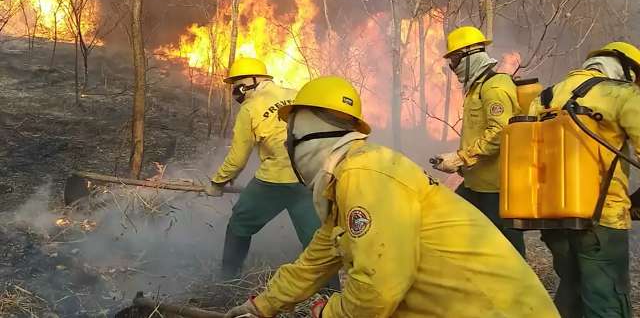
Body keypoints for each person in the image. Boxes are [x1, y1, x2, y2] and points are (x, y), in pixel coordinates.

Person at [225, 76, 559, 318]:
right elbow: (312, 263)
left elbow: (376, 293)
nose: (288, 145)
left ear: (306, 134)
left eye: (291, 136)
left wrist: (328, 313)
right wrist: (261, 306)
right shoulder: (353, 177)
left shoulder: (365, 176)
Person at [528, 42, 640, 318]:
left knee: (572, 290)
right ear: (627, 69)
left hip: (551, 219)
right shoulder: (622, 94)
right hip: (601, 222)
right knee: (606, 299)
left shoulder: (543, 97)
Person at [206, 57, 320, 279]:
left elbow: (237, 158)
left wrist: (217, 182)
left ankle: (227, 279)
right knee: (316, 241)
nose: (235, 92)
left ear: (248, 82)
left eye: (236, 85)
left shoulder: (250, 108)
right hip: (311, 177)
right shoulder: (297, 93)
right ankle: (330, 292)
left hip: (275, 181)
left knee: (239, 224)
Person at [432, 25, 525, 256]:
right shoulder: (477, 87)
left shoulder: (495, 86)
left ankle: (521, 290)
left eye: (454, 59)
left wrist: (461, 158)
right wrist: (457, 162)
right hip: (476, 185)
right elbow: (479, 132)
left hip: (497, 190)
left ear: (470, 55)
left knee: (508, 254)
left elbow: (501, 132)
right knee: (461, 239)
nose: (452, 67)